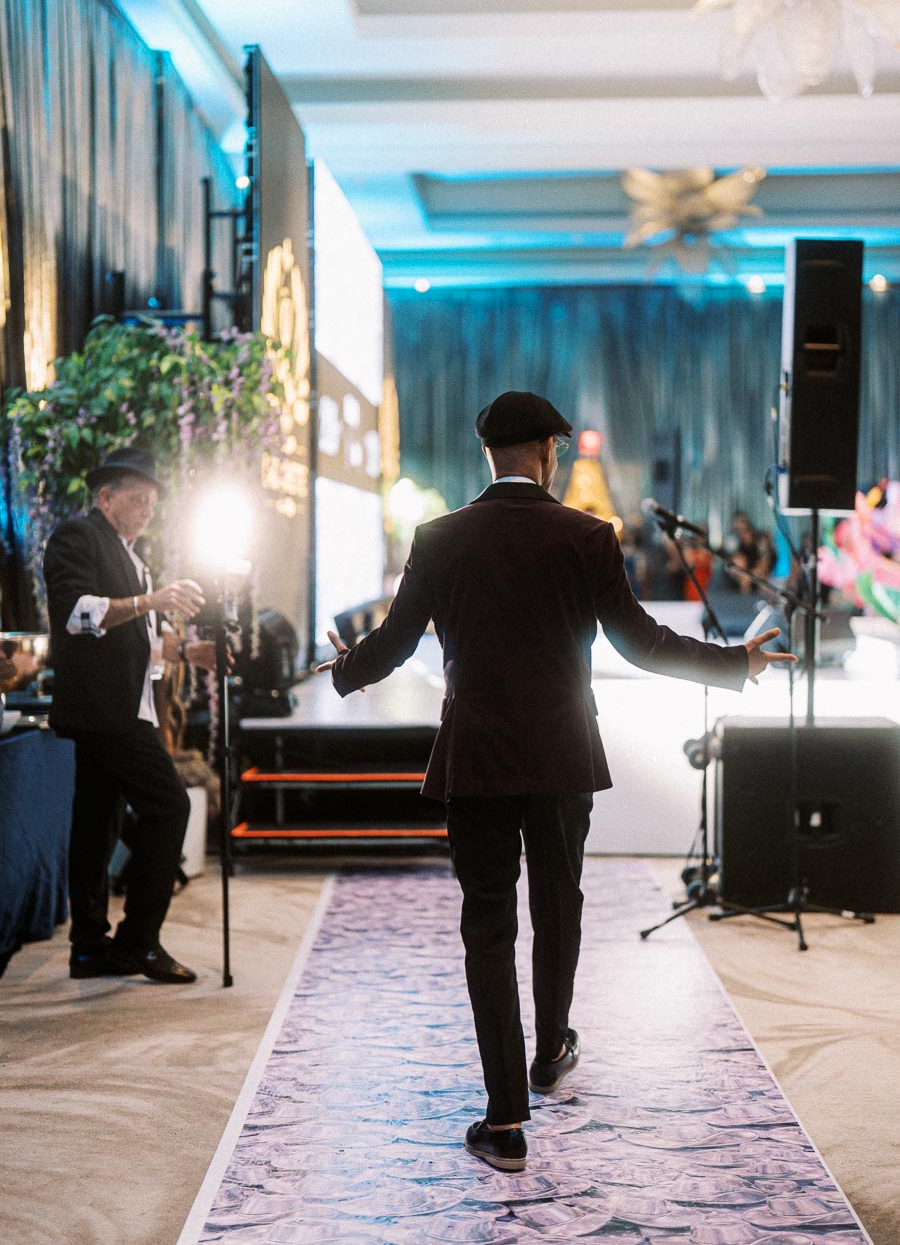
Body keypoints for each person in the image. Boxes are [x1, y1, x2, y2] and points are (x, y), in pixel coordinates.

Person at [317, 391, 795, 1173]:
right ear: (550, 451)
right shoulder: (587, 534)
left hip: (474, 756)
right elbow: (641, 644)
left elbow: (395, 645)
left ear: (487, 454)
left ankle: (505, 1121)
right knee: (559, 903)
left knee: (488, 929)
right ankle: (552, 1048)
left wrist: (343, 672)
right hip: (563, 754)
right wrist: (733, 664)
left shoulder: (440, 537)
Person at [44, 447, 217, 984]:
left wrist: (187, 654)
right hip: (106, 709)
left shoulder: (130, 555)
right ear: (106, 497)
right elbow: (77, 614)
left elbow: (136, 643)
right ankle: (138, 942)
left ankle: (90, 946)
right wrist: (151, 600)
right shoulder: (79, 536)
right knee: (169, 807)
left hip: (122, 706)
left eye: (152, 505)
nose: (146, 513)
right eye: (137, 501)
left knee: (98, 824)